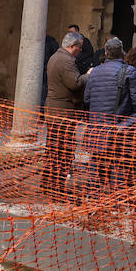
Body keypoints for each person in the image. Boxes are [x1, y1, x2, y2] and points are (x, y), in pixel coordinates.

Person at [43, 33, 88, 195]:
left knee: (53, 147)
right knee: (62, 149)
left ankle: (48, 182)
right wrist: (88, 75)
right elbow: (75, 83)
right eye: (79, 47)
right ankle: (55, 184)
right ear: (72, 46)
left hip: (55, 109)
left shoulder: (55, 57)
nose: (80, 51)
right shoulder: (66, 60)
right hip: (63, 111)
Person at [83, 37, 126, 119]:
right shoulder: (130, 71)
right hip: (117, 121)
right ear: (122, 53)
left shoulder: (93, 71)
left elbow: (87, 99)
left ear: (106, 53)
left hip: (96, 120)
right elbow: (135, 101)